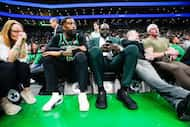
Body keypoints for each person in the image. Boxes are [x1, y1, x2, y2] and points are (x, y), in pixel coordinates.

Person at [123, 30, 190, 121]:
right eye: (136, 34)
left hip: (146, 63)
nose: (138, 35)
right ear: (129, 35)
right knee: (157, 83)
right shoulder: (124, 42)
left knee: (158, 84)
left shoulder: (141, 44)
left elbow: (149, 56)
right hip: (135, 63)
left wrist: (150, 55)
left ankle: (179, 106)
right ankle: (186, 94)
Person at [42, 17, 89, 112]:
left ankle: (82, 94)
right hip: (62, 70)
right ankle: (55, 95)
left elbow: (85, 48)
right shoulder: (57, 37)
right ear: (63, 27)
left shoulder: (79, 36)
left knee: (81, 56)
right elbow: (46, 50)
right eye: (70, 23)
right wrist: (62, 52)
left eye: (74, 23)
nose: (73, 26)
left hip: (76, 70)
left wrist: (66, 50)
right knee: (47, 58)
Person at [88, 23, 139, 110]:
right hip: (100, 62)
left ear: (109, 31)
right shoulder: (93, 40)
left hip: (114, 61)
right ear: (99, 30)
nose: (105, 31)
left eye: (107, 29)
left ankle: (123, 91)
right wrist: (100, 50)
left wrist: (118, 49)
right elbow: (89, 53)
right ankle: (101, 90)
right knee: (94, 50)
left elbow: (123, 52)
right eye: (103, 29)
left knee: (133, 48)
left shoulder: (116, 40)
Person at [0, 20, 36, 115]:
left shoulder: (23, 43)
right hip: (3, 69)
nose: (19, 34)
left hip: (9, 72)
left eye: (21, 31)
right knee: (8, 66)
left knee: (24, 66)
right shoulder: (1, 40)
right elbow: (9, 60)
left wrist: (20, 42)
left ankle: (26, 91)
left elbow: (23, 62)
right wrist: (19, 41)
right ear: (8, 31)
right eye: (15, 31)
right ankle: (3, 101)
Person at [143, 24, 190, 90]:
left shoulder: (164, 39)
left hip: (169, 61)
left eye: (157, 27)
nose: (156, 29)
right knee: (176, 68)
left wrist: (174, 53)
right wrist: (166, 53)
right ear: (149, 32)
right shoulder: (147, 41)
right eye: (153, 28)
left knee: (187, 68)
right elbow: (150, 55)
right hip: (158, 62)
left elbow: (171, 49)